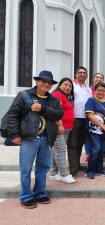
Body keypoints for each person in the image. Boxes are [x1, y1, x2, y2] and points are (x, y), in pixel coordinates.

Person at [7, 70, 63, 209]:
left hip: (46, 138)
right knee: (26, 169)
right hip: (29, 139)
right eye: (43, 81)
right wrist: (15, 135)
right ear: (37, 81)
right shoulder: (24, 96)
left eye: (49, 82)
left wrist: (42, 109)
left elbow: (58, 114)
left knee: (43, 168)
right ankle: (26, 196)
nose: (46, 84)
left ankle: (39, 193)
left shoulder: (53, 100)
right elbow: (12, 115)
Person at [84, 82, 105, 179]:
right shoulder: (91, 100)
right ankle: (90, 170)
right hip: (94, 131)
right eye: (99, 90)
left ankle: (99, 169)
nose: (101, 92)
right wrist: (102, 125)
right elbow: (90, 115)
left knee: (101, 150)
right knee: (95, 149)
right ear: (95, 90)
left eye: (103, 90)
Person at [49, 78, 76, 184]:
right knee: (61, 151)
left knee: (56, 150)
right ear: (60, 85)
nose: (67, 87)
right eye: (65, 84)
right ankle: (65, 174)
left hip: (66, 128)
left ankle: (54, 173)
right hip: (59, 128)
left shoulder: (65, 96)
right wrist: (60, 125)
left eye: (70, 86)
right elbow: (56, 111)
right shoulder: (57, 94)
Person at [67, 67, 92, 178]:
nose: (82, 74)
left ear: (87, 75)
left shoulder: (88, 89)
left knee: (80, 143)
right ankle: (72, 169)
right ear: (76, 74)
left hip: (85, 119)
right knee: (72, 144)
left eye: (84, 73)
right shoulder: (71, 86)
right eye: (80, 73)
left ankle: (77, 164)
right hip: (74, 118)